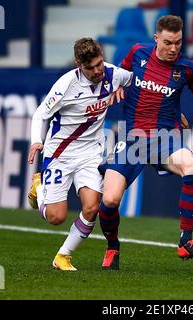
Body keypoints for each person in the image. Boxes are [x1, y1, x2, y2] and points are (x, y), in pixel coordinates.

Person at [98, 15, 193, 270]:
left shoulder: (188, 68)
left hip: (165, 140)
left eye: (178, 43)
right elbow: (119, 73)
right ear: (156, 38)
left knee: (192, 166)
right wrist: (115, 86)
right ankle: (113, 247)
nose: (173, 49)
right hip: (132, 140)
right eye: (168, 42)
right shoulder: (137, 53)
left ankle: (185, 241)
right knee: (111, 200)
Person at [27, 38, 133, 271]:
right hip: (60, 154)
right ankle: (40, 187)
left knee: (92, 207)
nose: (97, 71)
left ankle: (63, 257)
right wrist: (37, 140)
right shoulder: (66, 85)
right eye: (90, 67)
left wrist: (124, 87)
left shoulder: (114, 74)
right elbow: (40, 114)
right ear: (78, 65)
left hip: (90, 153)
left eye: (99, 64)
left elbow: (139, 81)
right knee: (56, 217)